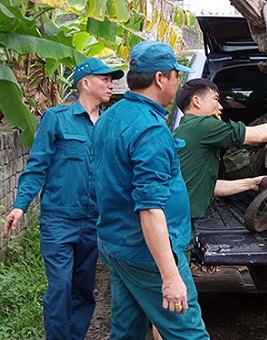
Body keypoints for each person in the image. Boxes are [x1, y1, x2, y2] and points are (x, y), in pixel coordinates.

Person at [91, 41, 208, 339]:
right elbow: (150, 208)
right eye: (175, 75)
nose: (178, 82)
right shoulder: (150, 130)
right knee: (188, 333)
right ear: (160, 78)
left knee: (127, 329)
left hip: (116, 244)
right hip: (147, 254)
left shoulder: (110, 117)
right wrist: (170, 276)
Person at [1, 57, 123, 339]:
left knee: (83, 288)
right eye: (104, 78)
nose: (110, 83)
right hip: (59, 220)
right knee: (60, 286)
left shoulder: (109, 123)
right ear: (85, 82)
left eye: (110, 78)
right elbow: (37, 167)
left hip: (94, 222)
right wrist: (20, 206)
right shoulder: (57, 119)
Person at [172, 78, 267, 256]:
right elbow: (258, 136)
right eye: (215, 99)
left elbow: (209, 186)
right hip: (177, 224)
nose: (220, 107)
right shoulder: (203, 126)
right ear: (197, 101)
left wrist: (252, 183)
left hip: (179, 220)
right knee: (175, 279)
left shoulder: (187, 128)